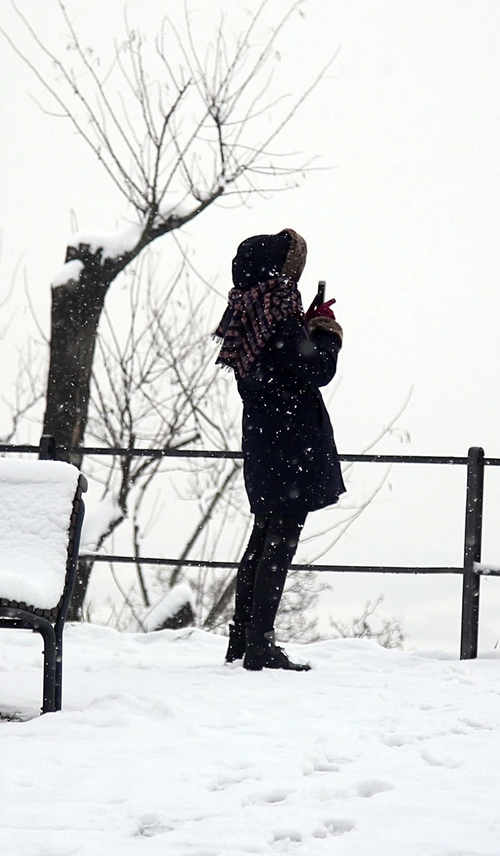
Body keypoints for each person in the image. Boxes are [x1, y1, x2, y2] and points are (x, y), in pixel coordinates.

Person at [213, 228, 345, 671]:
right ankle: (260, 642)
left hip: (264, 440)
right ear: (279, 273)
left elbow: (276, 371)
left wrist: (303, 327)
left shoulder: (246, 315)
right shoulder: (277, 317)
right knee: (280, 541)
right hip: (293, 443)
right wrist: (324, 329)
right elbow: (319, 369)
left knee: (262, 536)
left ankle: (243, 636)